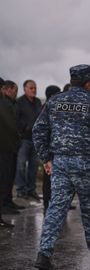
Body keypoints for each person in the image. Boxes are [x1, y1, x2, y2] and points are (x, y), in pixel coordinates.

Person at [32, 64, 90, 269]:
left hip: (60, 163)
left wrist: (46, 158)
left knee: (56, 208)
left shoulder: (54, 101)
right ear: (89, 83)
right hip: (86, 163)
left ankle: (44, 255)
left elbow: (38, 130)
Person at [15, 79, 42, 201]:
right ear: (24, 89)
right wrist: (25, 127)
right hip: (24, 140)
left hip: (36, 139)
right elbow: (15, 118)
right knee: (20, 165)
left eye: (35, 88)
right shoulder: (19, 102)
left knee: (34, 166)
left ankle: (31, 190)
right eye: (31, 88)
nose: (34, 90)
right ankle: (21, 190)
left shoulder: (37, 102)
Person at [0, 80, 21, 227]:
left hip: (8, 147)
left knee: (7, 179)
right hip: (4, 148)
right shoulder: (3, 104)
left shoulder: (7, 103)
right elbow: (9, 126)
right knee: (3, 179)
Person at [40, 85, 61, 214]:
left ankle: (51, 206)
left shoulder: (49, 107)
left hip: (51, 149)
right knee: (49, 180)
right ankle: (48, 206)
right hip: (50, 150)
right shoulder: (49, 108)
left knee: (53, 180)